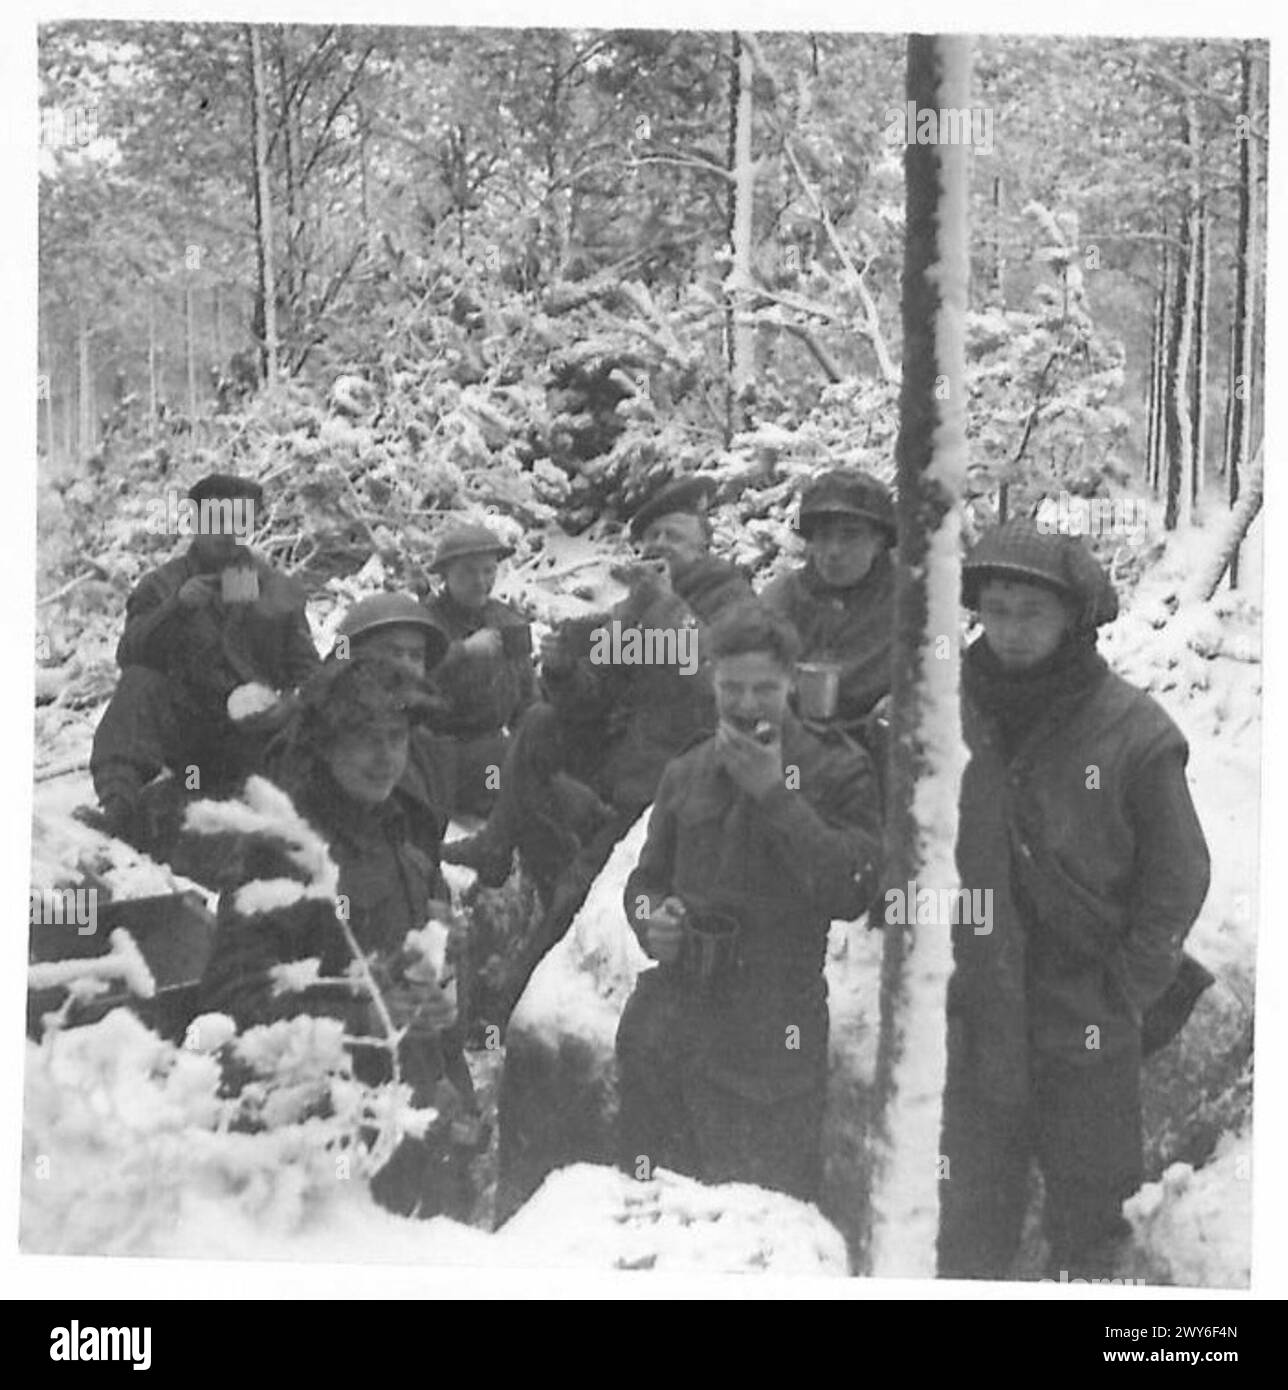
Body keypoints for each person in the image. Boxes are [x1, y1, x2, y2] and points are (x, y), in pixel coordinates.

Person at [937, 520, 1211, 1281]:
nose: (1011, 629)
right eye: (995, 608)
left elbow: (1178, 873)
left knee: (1093, 1228)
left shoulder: (1133, 730)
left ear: (1073, 620)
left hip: (1083, 1011)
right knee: (964, 1227)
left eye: (1033, 612)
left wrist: (1124, 990)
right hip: (972, 1014)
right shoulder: (942, 709)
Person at [442, 478, 754, 1015]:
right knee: (539, 721)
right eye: (651, 536)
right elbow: (593, 699)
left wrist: (662, 606)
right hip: (623, 759)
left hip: (679, 773)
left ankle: (517, 991)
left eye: (673, 535)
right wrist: (564, 672)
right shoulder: (636, 607)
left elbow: (707, 684)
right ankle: (497, 845)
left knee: (582, 877)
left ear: (704, 542)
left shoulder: (734, 603)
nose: (660, 546)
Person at [615, 602, 881, 1201]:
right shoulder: (687, 770)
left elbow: (854, 888)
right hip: (672, 1026)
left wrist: (774, 796)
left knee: (762, 1215)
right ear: (712, 681)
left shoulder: (836, 769)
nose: (745, 703)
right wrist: (649, 921)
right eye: (731, 686)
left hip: (771, 1035)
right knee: (652, 1205)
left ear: (791, 681)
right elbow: (645, 881)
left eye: (763, 687)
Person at [199, 658, 481, 1221]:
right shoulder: (285, 851)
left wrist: (448, 1003)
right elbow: (232, 1002)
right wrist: (366, 1022)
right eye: (365, 739)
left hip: (412, 1124)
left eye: (397, 738)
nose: (386, 757)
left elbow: (436, 971)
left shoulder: (406, 844)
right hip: (323, 1142)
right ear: (325, 747)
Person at [90, 472, 320, 846]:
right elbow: (130, 655)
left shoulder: (273, 587)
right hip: (188, 731)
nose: (226, 532)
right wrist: (176, 609)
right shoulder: (162, 585)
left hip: (256, 736)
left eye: (238, 520)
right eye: (216, 519)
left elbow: (309, 670)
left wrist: (288, 705)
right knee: (139, 684)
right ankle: (117, 806)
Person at [760, 468, 896, 739]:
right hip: (792, 750)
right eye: (823, 536)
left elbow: (948, 660)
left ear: (878, 541)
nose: (834, 551)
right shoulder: (780, 598)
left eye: (850, 535)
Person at [329, 592, 454, 869]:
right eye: (393, 653)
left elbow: (428, 848)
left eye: (416, 656)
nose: (406, 665)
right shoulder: (321, 743)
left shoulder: (431, 750)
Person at [421, 523, 535, 819]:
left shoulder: (506, 619)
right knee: (499, 789)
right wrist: (462, 652)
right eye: (467, 572)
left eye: (488, 571)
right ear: (445, 575)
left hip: (495, 744)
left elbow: (526, 694)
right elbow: (401, 684)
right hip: (441, 753)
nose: (480, 581)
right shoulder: (422, 624)